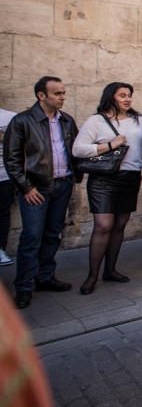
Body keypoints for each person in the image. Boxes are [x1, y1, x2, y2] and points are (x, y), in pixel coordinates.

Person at [3, 76, 79, 309]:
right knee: (31, 238)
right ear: (41, 96)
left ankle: (45, 277)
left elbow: (73, 150)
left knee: (53, 234)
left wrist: (75, 177)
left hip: (62, 185)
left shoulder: (67, 121)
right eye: (57, 93)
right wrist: (26, 187)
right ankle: (24, 287)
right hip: (36, 189)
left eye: (64, 93)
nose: (62, 97)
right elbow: (12, 159)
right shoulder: (23, 121)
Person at [71, 82, 142, 294]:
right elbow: (78, 149)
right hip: (104, 179)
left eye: (129, 95)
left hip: (131, 177)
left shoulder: (139, 120)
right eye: (122, 95)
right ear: (110, 97)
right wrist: (109, 145)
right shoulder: (96, 121)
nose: (127, 99)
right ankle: (92, 276)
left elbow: (141, 146)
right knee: (103, 225)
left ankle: (110, 270)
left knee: (120, 225)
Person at [0, 107, 16, 266]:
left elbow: (20, 143)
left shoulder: (10, 117)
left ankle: (0, 249)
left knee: (3, 213)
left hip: (4, 175)